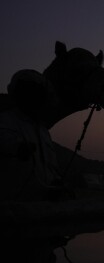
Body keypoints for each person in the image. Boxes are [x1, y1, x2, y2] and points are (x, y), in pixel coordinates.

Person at [0, 70, 61, 201]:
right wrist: (17, 148)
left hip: (42, 208)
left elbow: (51, 168)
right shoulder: (5, 120)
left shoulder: (43, 131)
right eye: (28, 91)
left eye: (38, 92)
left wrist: (56, 184)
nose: (34, 96)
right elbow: (5, 142)